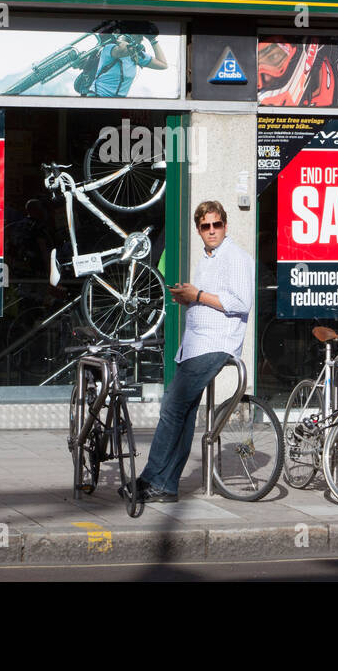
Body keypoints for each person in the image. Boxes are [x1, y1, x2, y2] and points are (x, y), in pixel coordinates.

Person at [128, 201, 253, 503]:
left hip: (215, 345)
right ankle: (167, 485)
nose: (212, 231)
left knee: (172, 408)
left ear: (225, 225)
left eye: (217, 225)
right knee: (182, 414)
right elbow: (215, 300)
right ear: (198, 230)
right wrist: (190, 300)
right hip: (197, 345)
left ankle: (151, 479)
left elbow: (240, 302)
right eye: (205, 226)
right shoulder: (208, 258)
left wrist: (196, 295)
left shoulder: (234, 257)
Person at [90, 23, 168, 98]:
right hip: (97, 97)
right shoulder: (109, 48)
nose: (141, 38)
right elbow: (123, 50)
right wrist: (123, 36)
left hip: (116, 103)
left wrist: (152, 40)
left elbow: (163, 64)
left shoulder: (136, 54)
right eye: (138, 35)